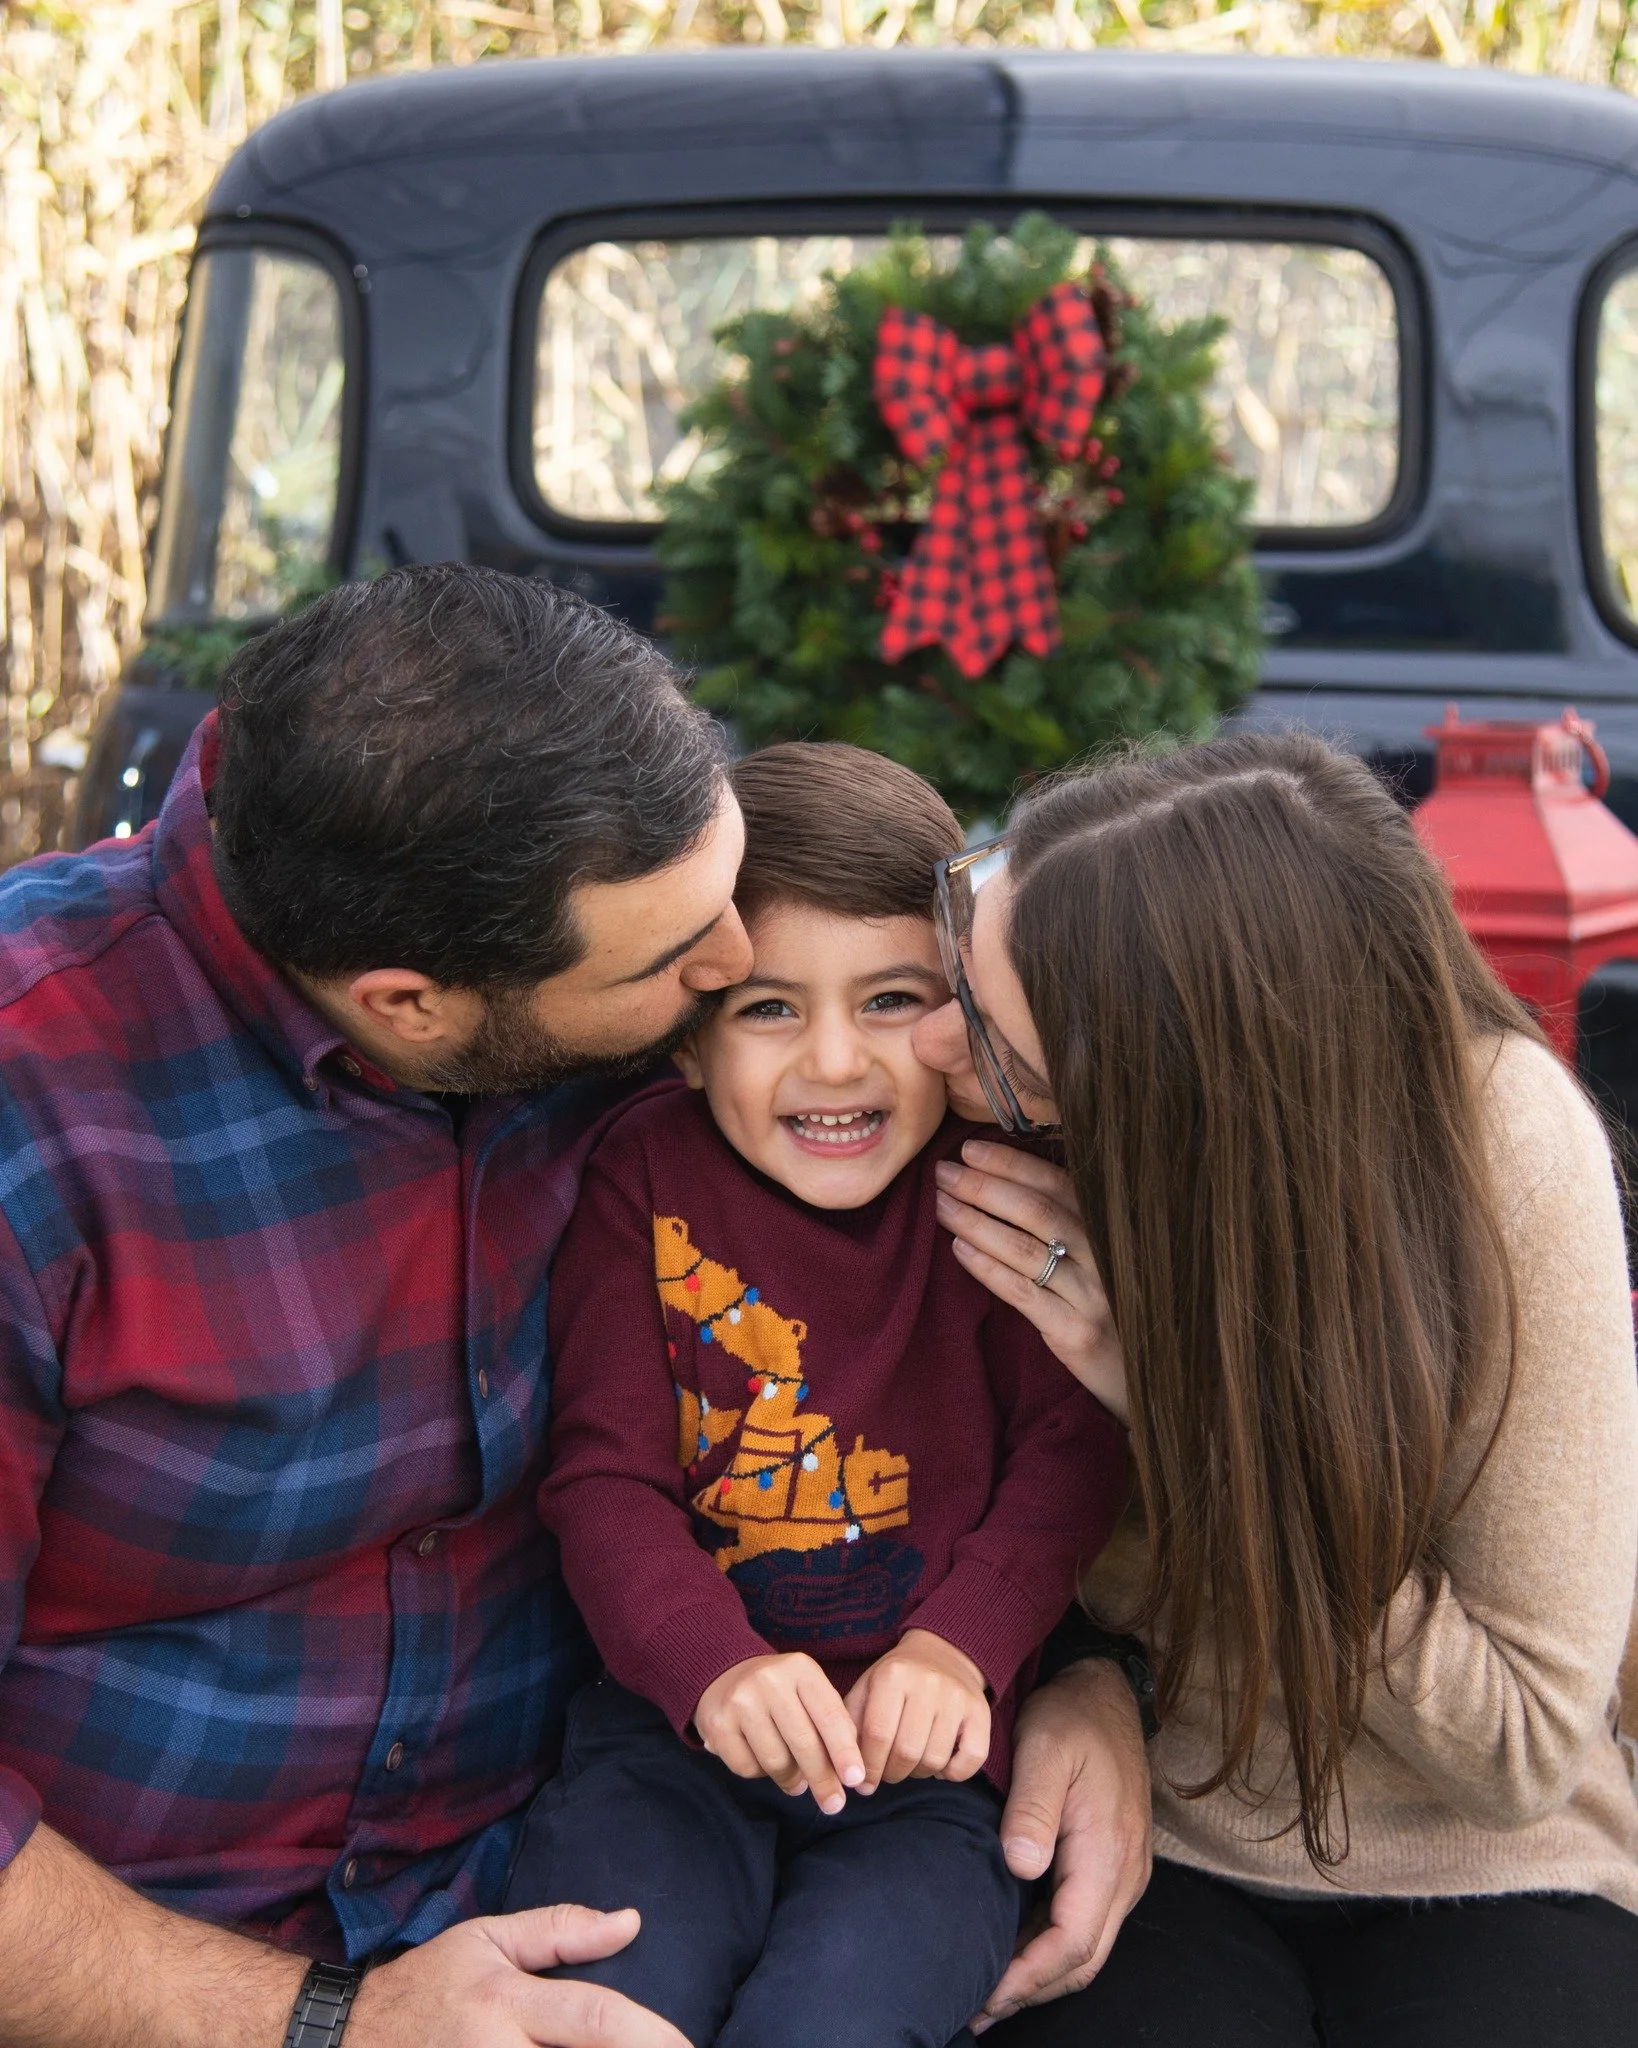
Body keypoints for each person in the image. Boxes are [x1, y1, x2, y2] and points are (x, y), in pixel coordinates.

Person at [0, 564, 1151, 2048]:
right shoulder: (37, 1113)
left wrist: (1082, 1674)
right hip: (167, 1958)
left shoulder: (629, 982)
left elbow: (1029, 1412)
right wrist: (326, 2023)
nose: (743, 971)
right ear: (413, 1004)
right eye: (694, 973)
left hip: (571, 1838)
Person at [910, 733, 1638, 2046]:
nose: (920, 1045)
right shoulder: (1023, 1165)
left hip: (1487, 1861)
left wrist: (1172, 1401)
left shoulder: (1506, 1153)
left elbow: (1521, 1750)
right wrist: (1085, 1684)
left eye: (987, 1036)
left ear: (1171, 1089)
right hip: (1172, 1829)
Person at [511, 743, 1127, 2047]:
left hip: (932, 1771)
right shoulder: (643, 1180)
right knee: (620, 2002)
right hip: (676, 1740)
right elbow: (602, 1476)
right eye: (769, 1009)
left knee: (838, 2017)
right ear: (684, 1040)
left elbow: (1070, 1449)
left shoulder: (998, 1184)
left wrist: (959, 1648)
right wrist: (711, 1670)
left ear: (959, 1013)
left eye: (892, 999)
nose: (836, 1063)